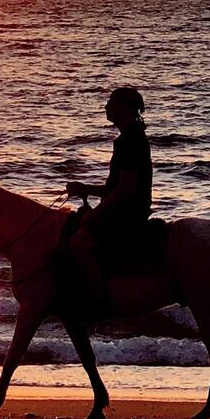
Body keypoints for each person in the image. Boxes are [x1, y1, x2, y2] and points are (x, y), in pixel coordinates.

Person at [65, 87, 152, 305]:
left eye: (111, 102)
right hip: (128, 209)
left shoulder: (129, 141)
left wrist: (94, 215)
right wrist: (86, 189)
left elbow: (127, 189)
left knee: (78, 244)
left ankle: (99, 299)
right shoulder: (130, 137)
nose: (106, 106)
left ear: (124, 108)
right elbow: (118, 187)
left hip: (128, 214)